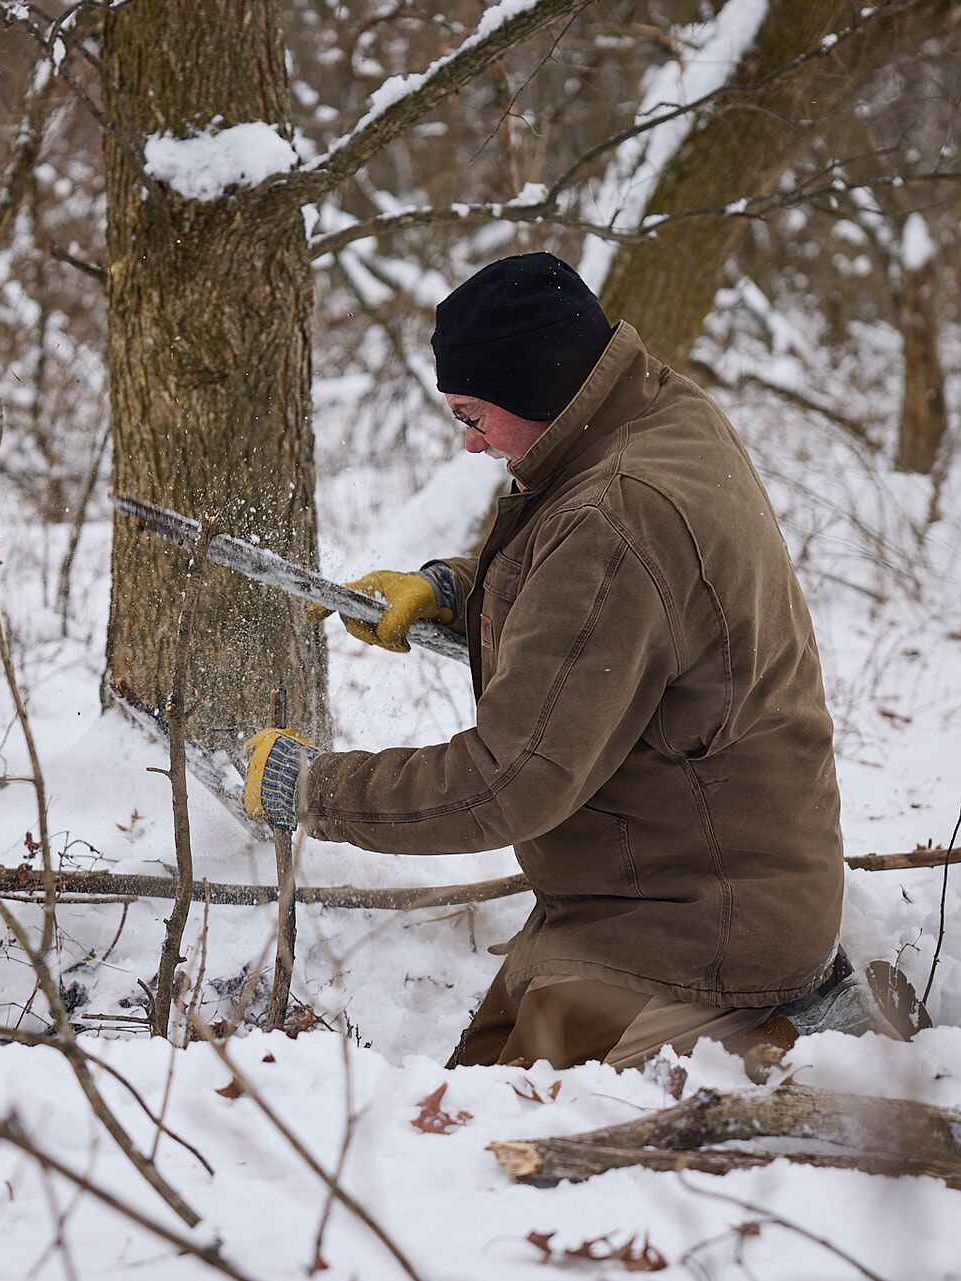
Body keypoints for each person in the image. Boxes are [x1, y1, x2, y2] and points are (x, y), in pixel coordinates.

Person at [241, 251, 844, 1071]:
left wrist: (312, 790)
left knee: (489, 1153)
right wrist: (450, 588)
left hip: (700, 933)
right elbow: (593, 595)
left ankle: (780, 1041)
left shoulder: (617, 517)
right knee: (463, 1094)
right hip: (642, 889)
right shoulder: (650, 415)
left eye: (472, 414)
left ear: (535, 385)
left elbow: (506, 782)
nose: (469, 442)